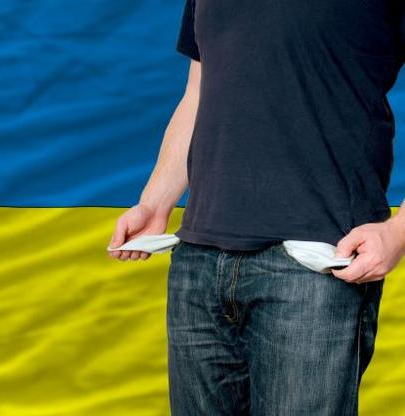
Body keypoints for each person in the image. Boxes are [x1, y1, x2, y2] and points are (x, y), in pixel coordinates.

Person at [108, 0, 405, 414]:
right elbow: (199, 89)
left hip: (315, 263)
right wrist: (154, 202)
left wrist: (399, 231)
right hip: (199, 261)